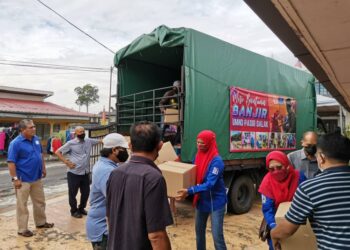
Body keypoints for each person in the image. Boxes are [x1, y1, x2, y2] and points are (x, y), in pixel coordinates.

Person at [271, 133, 350, 250]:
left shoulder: (308, 189)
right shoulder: (292, 158)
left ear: (321, 157)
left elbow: (287, 230)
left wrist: (273, 234)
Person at [106, 121, 173, 250]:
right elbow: (156, 236)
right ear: (160, 146)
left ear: (130, 145)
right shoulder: (154, 178)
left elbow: (110, 218)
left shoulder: (115, 173)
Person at [176, 130, 227, 250]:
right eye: (197, 142)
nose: (199, 145)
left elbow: (210, 184)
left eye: (202, 143)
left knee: (217, 237)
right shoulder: (198, 156)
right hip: (202, 201)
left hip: (216, 202)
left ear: (209, 143)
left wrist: (190, 190)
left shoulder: (217, 161)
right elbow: (193, 172)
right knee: (199, 233)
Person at [7, 119, 54, 237]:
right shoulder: (16, 143)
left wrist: (43, 168)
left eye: (34, 127)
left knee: (40, 202)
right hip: (23, 179)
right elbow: (11, 162)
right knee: (22, 205)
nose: (34, 129)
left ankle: (41, 222)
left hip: (36, 177)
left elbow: (40, 155)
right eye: (31, 127)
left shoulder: (36, 139)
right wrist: (15, 179)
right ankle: (22, 229)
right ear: (22, 130)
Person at [86, 133, 129, 250]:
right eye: (124, 149)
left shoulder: (107, 165)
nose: (126, 152)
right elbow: (117, 199)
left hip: (104, 227)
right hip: (103, 231)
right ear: (114, 150)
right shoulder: (106, 171)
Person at [258, 151, 306, 250]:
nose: (276, 171)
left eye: (279, 167)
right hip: (276, 222)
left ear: (287, 165)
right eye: (271, 169)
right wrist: (274, 227)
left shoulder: (299, 177)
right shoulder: (267, 183)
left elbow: (307, 200)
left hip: (297, 222)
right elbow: (267, 209)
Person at [55, 126, 101, 218]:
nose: (82, 133)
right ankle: (74, 211)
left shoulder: (89, 141)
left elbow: (101, 141)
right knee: (73, 193)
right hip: (74, 173)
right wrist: (66, 162)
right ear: (75, 133)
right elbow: (57, 152)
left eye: (83, 131)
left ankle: (81, 208)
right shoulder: (70, 143)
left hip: (85, 173)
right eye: (80, 132)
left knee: (86, 192)